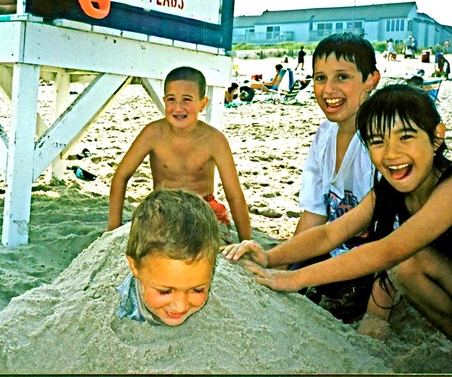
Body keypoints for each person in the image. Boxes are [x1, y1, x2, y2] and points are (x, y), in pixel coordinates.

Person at [222, 83, 452, 373]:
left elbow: (387, 251)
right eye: (377, 141)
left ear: (436, 137)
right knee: (410, 264)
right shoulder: (391, 191)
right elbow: (332, 233)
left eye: (405, 137)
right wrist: (271, 258)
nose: (391, 154)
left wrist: (293, 280)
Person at [241, 32, 385, 326]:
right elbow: (313, 217)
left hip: (377, 264)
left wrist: (376, 318)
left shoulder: (382, 139)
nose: (328, 89)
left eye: (342, 77)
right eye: (320, 78)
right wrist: (276, 265)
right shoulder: (324, 135)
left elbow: (393, 242)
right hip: (332, 253)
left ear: (371, 80)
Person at [108, 66, 252, 243]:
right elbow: (121, 176)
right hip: (163, 207)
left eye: (187, 100)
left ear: (202, 103)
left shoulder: (214, 140)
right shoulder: (152, 133)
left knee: (202, 243)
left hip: (202, 208)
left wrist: (246, 241)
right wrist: (112, 230)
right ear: (164, 101)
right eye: (171, 99)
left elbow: (234, 195)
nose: (178, 107)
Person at [115, 188, 220, 326]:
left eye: (197, 290)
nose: (180, 306)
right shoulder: (124, 308)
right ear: (135, 266)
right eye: (165, 292)